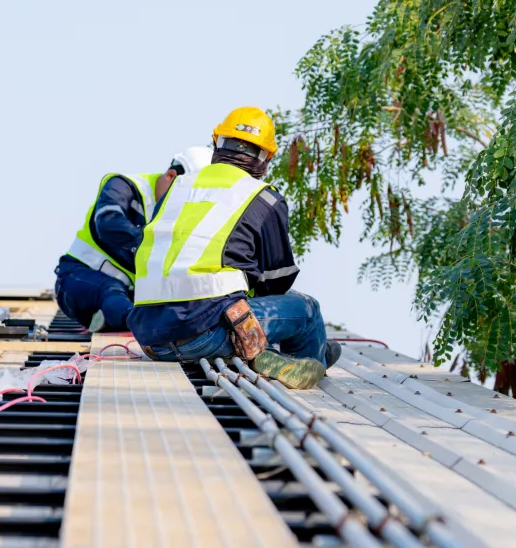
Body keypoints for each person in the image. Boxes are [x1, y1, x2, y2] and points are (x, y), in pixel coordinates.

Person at [127, 107, 340, 389]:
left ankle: (265, 357)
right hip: (205, 335)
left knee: (220, 308)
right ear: (265, 159)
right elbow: (277, 282)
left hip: (149, 338)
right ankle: (294, 365)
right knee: (308, 311)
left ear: (217, 145)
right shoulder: (263, 198)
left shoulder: (175, 189)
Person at [55, 148, 212, 333]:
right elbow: (107, 223)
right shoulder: (124, 185)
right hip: (77, 278)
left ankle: (113, 318)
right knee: (111, 292)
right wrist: (153, 245)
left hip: (128, 293)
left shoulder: (180, 213)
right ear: (170, 176)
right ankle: (138, 323)